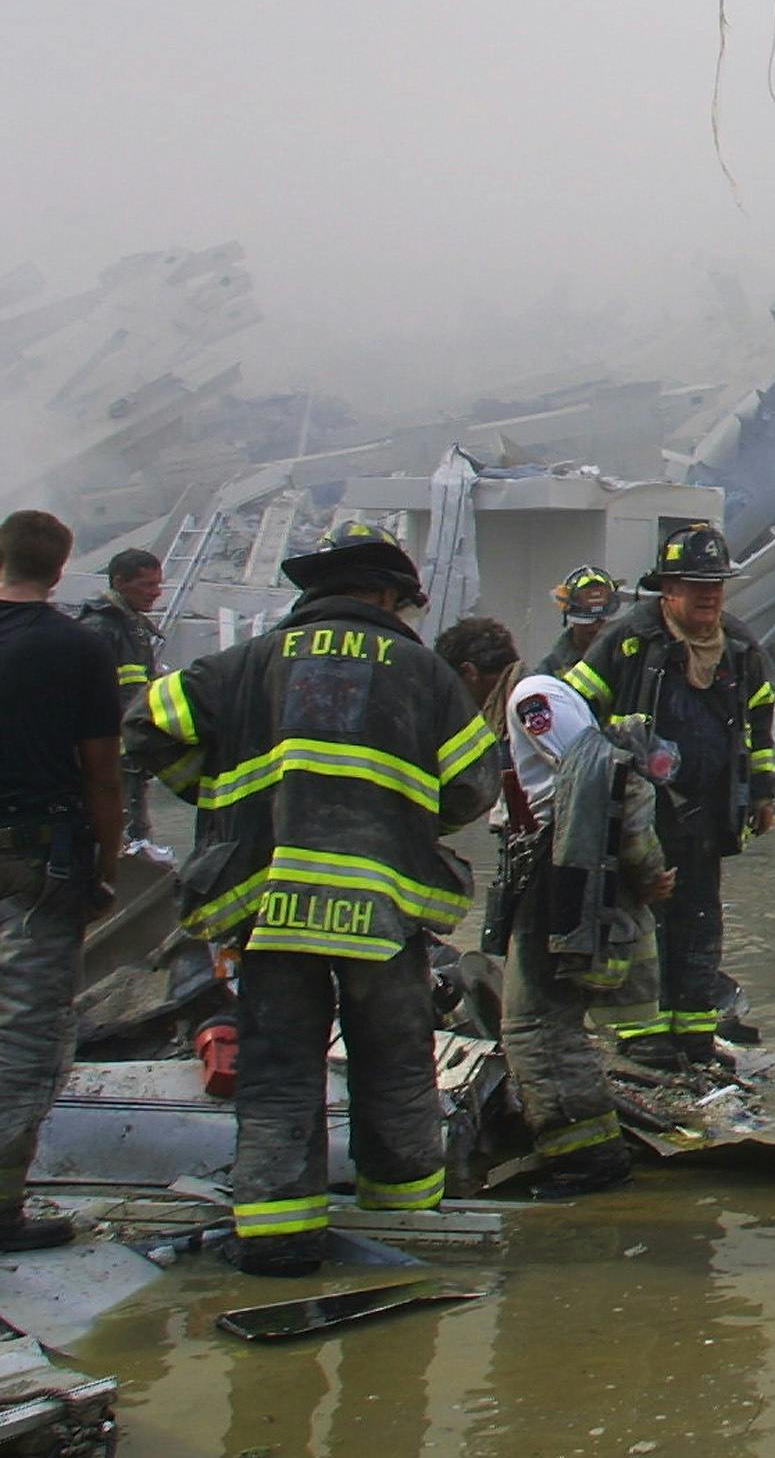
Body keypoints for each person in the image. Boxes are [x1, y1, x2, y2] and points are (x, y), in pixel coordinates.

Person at [123, 520, 500, 1274]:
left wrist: (223, 797)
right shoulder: (423, 673)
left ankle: (276, 1234)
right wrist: (403, 816)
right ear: (389, 593)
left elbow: (144, 730)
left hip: (274, 905)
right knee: (395, 1056)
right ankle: (401, 1210)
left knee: (278, 1062)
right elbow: (474, 786)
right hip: (380, 908)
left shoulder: (245, 663)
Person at [455, 616, 672, 1198]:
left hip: (560, 873)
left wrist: (643, 868)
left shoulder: (532, 698)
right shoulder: (521, 705)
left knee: (535, 1028)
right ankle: (589, 1156)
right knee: (544, 1025)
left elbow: (608, 779)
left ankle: (588, 1165)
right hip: (545, 869)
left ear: (470, 674)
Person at [561, 523, 775, 1071]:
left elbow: (759, 722)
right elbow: (573, 711)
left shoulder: (741, 647)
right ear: (668, 589)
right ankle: (643, 1038)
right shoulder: (632, 641)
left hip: (706, 816)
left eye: (716, 585)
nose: (708, 595)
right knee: (639, 922)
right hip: (638, 818)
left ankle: (696, 1038)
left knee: (699, 923)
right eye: (694, 584)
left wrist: (764, 792)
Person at [0, 511, 126, 1252]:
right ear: (63, 566)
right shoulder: (77, 648)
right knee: (22, 1032)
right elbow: (102, 774)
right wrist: (104, 872)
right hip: (34, 861)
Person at [72, 547, 164, 844]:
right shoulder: (99, 628)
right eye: (147, 585)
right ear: (120, 582)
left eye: (158, 584)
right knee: (119, 839)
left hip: (129, 755)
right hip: (110, 759)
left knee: (134, 837)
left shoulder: (130, 626)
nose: (156, 593)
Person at [539, 565, 623, 679]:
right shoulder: (552, 666)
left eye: (600, 621)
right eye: (586, 622)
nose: (595, 628)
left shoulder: (623, 658)